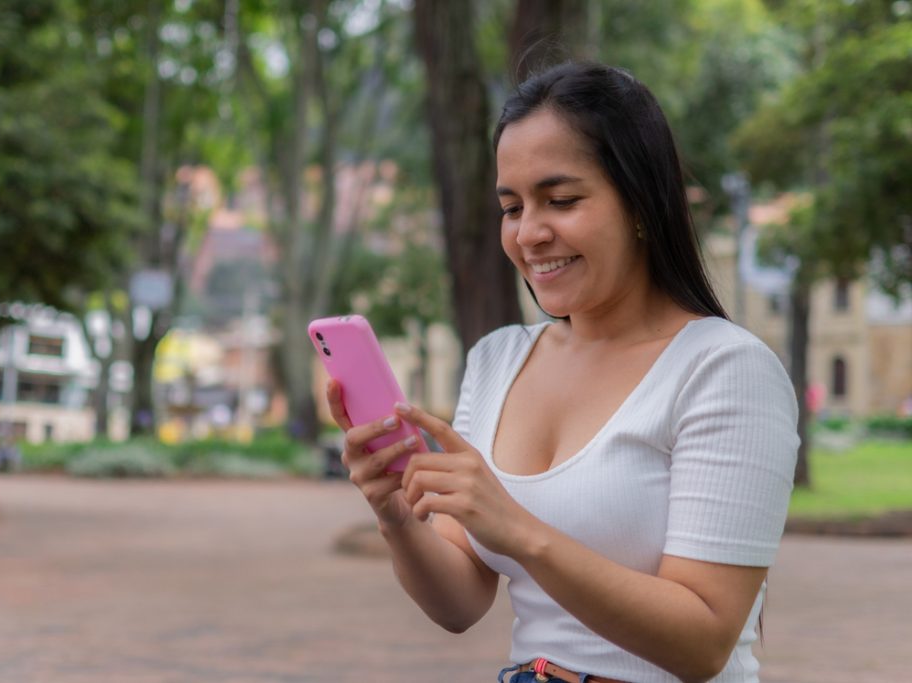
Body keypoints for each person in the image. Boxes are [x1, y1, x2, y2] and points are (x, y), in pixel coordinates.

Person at [326, 61, 798, 683]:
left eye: (562, 200)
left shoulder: (724, 369)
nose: (530, 233)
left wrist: (518, 528)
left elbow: (704, 641)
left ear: (640, 203)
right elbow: (460, 602)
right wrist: (392, 512)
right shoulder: (498, 360)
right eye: (511, 207)